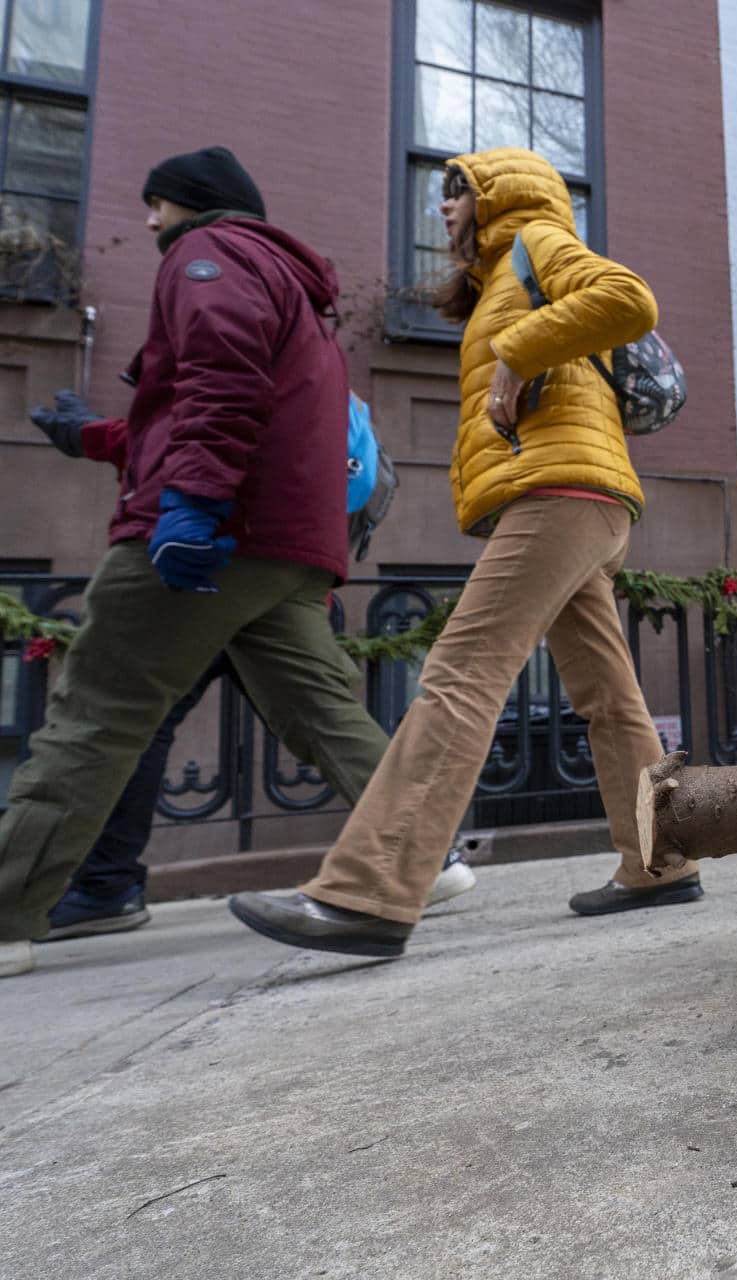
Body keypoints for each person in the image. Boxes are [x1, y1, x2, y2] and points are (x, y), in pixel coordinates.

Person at [228, 148, 698, 960]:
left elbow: (629, 300)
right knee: (609, 697)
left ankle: (369, 891)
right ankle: (660, 861)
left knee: (462, 670)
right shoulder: (496, 280)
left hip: (564, 493)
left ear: (495, 195)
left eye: (456, 193)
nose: (443, 208)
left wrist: (519, 351)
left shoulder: (538, 243)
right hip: (574, 494)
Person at [0, 146, 394, 979]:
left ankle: (9, 909)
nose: (149, 221)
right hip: (290, 549)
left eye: (158, 203)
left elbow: (219, 377)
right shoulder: (299, 297)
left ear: (199, 205)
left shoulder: (207, 255)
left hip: (215, 536)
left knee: (98, 710)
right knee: (326, 713)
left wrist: (191, 504)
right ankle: (429, 854)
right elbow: (206, 409)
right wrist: (95, 437)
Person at [26, 405, 475, 944]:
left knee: (123, 717)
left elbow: (198, 427)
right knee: (321, 716)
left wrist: (90, 434)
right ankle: (430, 853)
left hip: (213, 559)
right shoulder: (313, 359)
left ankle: (100, 886)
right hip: (287, 564)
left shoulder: (232, 330)